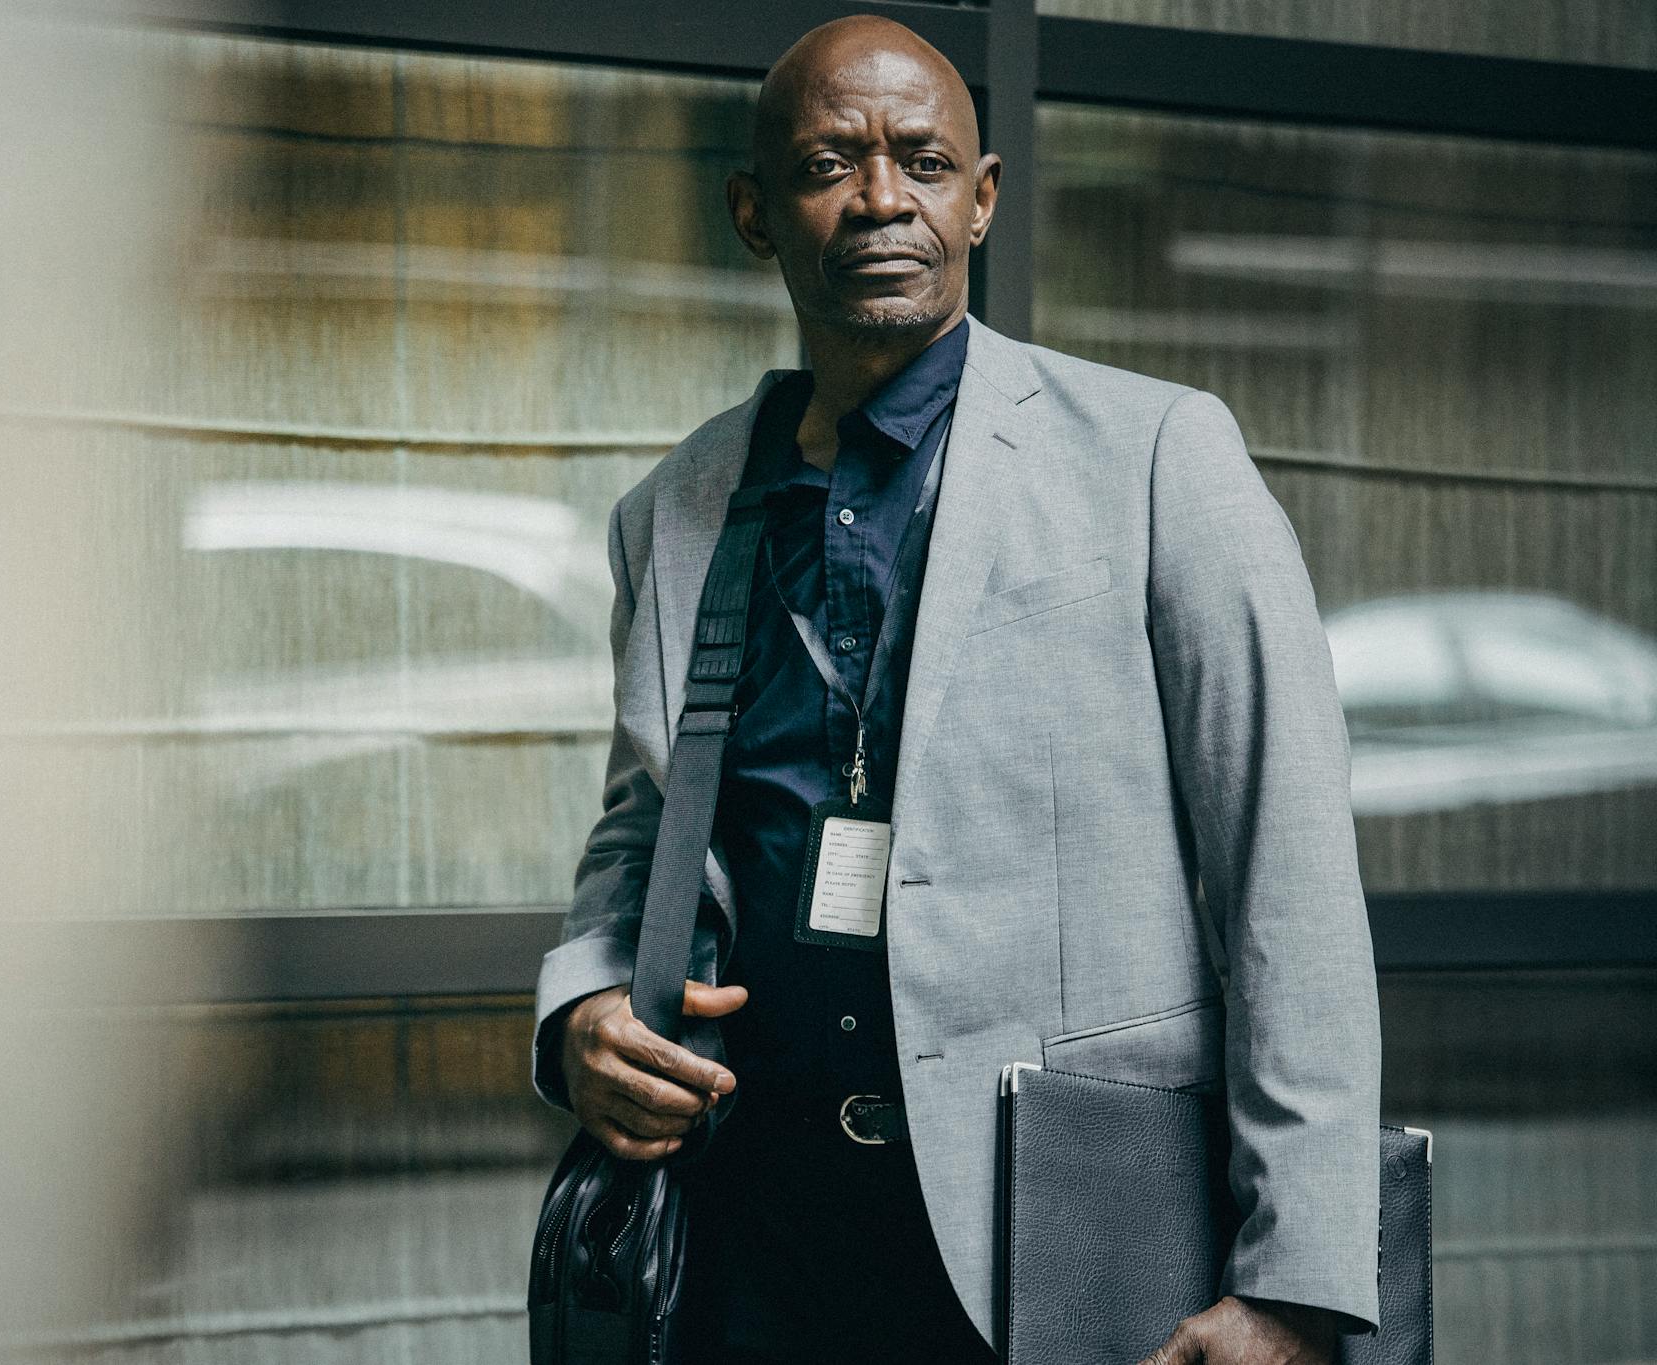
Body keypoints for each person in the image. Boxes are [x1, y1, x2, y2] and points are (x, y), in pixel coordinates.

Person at [529, 15, 1380, 1364]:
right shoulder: (679, 508)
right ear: (754, 210)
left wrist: (1298, 1275)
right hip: (753, 1242)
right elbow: (640, 835)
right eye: (828, 162)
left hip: (1064, 1238)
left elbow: (1293, 882)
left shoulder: (1158, 456)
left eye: (923, 162)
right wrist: (582, 1006)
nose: (882, 198)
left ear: (981, 202)